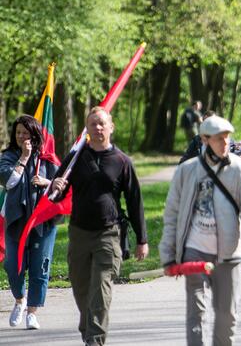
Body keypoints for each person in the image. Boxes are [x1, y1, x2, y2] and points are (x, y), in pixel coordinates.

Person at [159, 115, 241, 346]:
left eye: (227, 137)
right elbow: (172, 214)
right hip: (194, 251)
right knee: (196, 314)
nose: (225, 143)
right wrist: (168, 255)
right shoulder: (187, 171)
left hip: (229, 254)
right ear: (204, 139)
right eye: (219, 138)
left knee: (227, 316)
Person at [51, 107, 149, 346]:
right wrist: (57, 184)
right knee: (81, 288)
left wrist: (142, 239)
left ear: (111, 127)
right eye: (93, 124)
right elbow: (54, 195)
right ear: (87, 129)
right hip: (79, 233)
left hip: (109, 233)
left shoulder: (121, 161)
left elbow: (135, 200)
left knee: (101, 289)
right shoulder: (76, 157)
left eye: (102, 123)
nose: (98, 128)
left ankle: (94, 340)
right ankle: (89, 328)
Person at [0, 115, 60, 330]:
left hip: (43, 221)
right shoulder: (7, 157)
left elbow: (65, 185)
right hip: (16, 220)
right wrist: (24, 158)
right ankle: (19, 300)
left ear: (34, 134)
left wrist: (48, 182)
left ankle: (32, 312)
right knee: (12, 265)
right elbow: (9, 182)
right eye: (18, 133)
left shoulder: (48, 158)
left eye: (25, 133)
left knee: (39, 267)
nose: (21, 137)